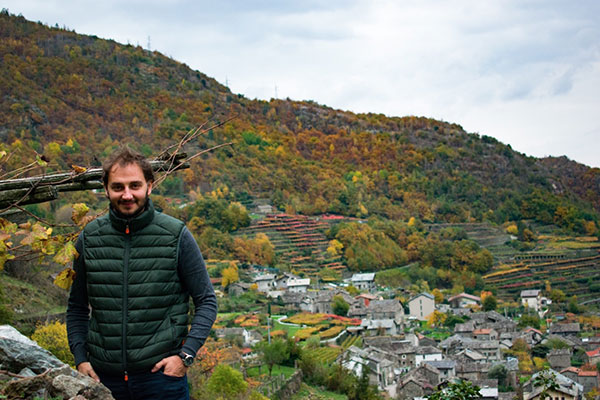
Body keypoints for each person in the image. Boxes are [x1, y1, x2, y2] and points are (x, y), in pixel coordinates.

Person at [67, 146, 217, 400]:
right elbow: (77, 307)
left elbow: (206, 300)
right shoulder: (89, 238)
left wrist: (186, 356)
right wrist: (81, 359)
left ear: (150, 186)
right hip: (103, 380)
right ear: (106, 189)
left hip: (162, 380)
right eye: (118, 187)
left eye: (134, 185)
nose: (127, 195)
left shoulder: (175, 235)